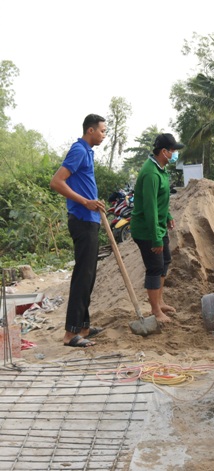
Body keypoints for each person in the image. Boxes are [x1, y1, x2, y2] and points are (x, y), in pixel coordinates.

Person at [50, 114, 107, 348]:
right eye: (102, 131)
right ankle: (69, 334)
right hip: (82, 219)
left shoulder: (88, 152)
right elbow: (57, 182)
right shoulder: (79, 150)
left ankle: (83, 327)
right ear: (90, 130)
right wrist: (85, 202)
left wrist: (92, 202)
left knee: (89, 275)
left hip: (90, 218)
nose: (104, 135)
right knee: (82, 276)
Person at [130, 133, 184, 324]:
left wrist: (168, 216)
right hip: (147, 229)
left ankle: (159, 302)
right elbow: (150, 208)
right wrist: (155, 238)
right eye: (173, 150)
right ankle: (155, 310)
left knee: (165, 261)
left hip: (159, 226)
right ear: (164, 152)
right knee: (154, 267)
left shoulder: (160, 169)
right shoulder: (151, 173)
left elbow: (161, 201)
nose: (175, 153)